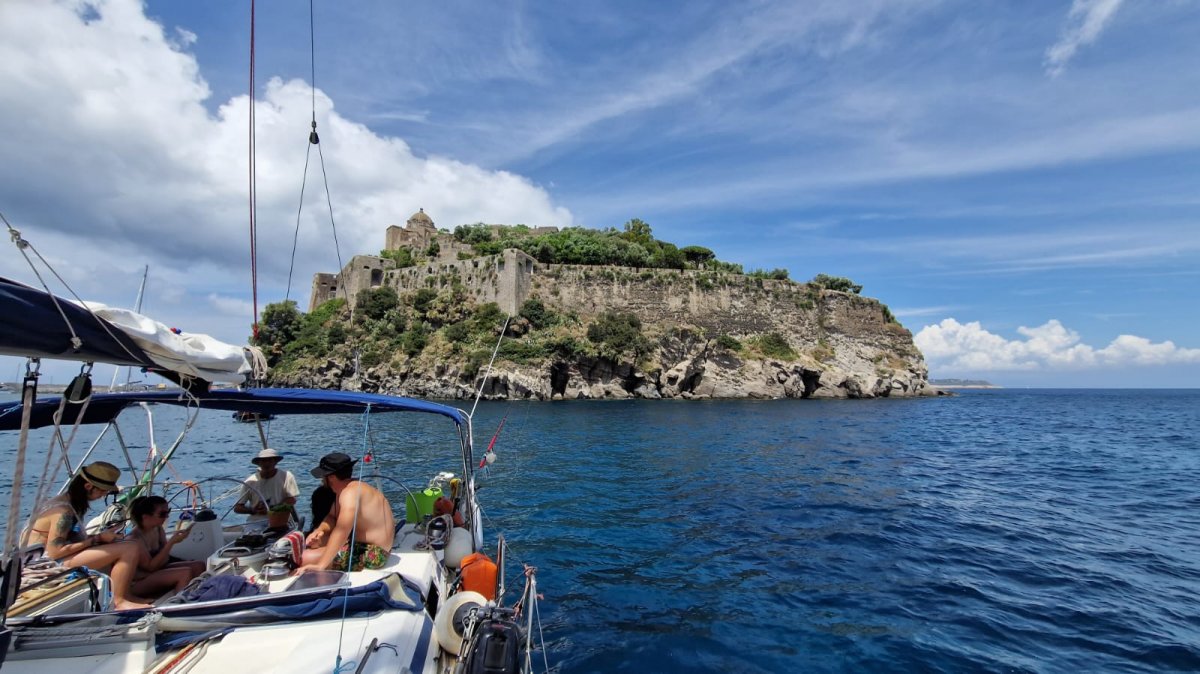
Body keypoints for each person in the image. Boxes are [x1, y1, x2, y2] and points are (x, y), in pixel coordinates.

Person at [24, 462, 151, 610]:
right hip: (46, 564)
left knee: (121, 543)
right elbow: (54, 552)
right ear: (88, 487)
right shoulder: (63, 512)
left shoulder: (69, 502)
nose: (103, 495)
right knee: (129, 548)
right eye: (102, 491)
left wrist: (100, 537)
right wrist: (97, 539)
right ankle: (118, 601)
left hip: (52, 557)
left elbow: (67, 538)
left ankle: (127, 593)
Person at [298, 452, 395, 572]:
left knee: (304, 557)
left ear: (331, 477)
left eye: (323, 477)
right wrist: (319, 531)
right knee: (316, 543)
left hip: (374, 553)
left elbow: (342, 529)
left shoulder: (350, 493)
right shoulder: (349, 489)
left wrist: (321, 565)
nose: (322, 481)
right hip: (368, 547)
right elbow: (332, 517)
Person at [127, 496, 206, 597]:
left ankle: (197, 598)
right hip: (138, 582)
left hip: (157, 571)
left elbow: (165, 559)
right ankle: (179, 606)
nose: (167, 517)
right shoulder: (135, 539)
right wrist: (171, 543)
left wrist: (174, 542)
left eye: (168, 512)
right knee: (184, 573)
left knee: (199, 565)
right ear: (145, 516)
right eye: (162, 514)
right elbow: (150, 567)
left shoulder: (158, 529)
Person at [232, 448, 299, 522]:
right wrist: (253, 510)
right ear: (259, 463)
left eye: (270, 460)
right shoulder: (250, 482)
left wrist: (271, 509)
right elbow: (238, 508)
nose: (267, 463)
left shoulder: (286, 476)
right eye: (263, 461)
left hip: (281, 519)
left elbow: (291, 500)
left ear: (275, 462)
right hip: (256, 520)